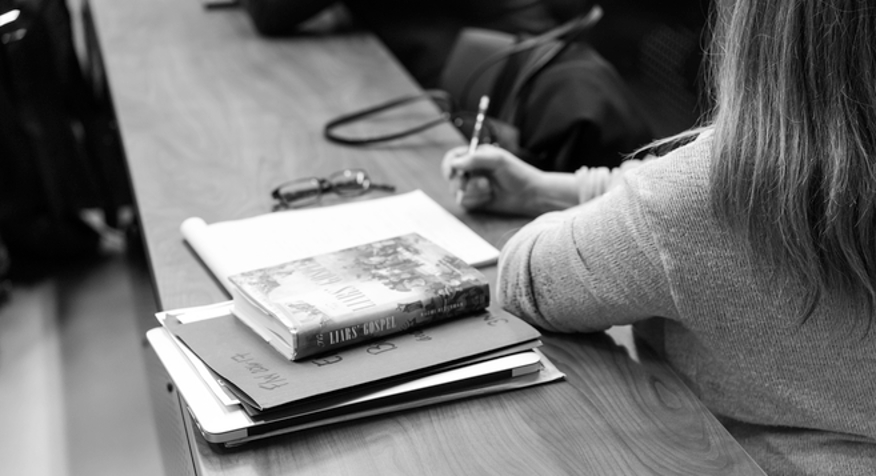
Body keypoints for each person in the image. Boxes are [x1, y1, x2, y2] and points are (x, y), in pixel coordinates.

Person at [442, 0, 876, 474]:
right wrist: (557, 190)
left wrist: (605, 208)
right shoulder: (702, 193)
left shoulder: (704, 194)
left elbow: (527, 280)